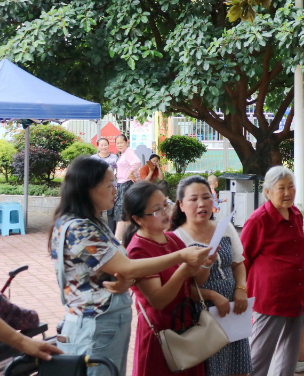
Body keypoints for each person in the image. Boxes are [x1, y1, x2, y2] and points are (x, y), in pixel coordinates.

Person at [49, 156, 210, 376]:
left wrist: (127, 279)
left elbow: (117, 268)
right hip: (94, 326)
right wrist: (180, 257)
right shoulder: (79, 228)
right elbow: (127, 267)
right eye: (109, 185)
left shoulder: (92, 223)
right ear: (89, 188)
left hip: (103, 324)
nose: (115, 190)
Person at [124, 181, 216, 376]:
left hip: (185, 326)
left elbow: (193, 283)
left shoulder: (172, 239)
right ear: (138, 219)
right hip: (161, 334)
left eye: (165, 205)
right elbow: (158, 301)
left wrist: (206, 264)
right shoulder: (138, 250)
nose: (165, 212)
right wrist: (182, 270)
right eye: (157, 210)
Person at [171, 176, 252, 376]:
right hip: (203, 312)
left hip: (232, 308)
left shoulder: (225, 227)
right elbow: (181, 286)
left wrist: (241, 288)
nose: (202, 204)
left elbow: (238, 263)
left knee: (238, 365)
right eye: (193, 199)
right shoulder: (176, 239)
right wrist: (212, 295)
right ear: (181, 205)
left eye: (206, 197)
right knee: (212, 367)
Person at [241, 166, 304, 376]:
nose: (288, 193)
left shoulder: (296, 214)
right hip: (271, 298)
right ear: (268, 191)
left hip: (297, 294)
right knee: (258, 357)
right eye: (281, 188)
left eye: (291, 187)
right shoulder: (259, 220)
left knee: (288, 356)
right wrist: (240, 291)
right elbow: (243, 259)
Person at [112, 134, 141, 240]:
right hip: (121, 184)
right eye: (117, 143)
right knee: (126, 212)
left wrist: (130, 173)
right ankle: (129, 237)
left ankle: (118, 238)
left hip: (126, 184)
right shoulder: (123, 154)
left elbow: (137, 162)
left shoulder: (129, 152)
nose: (119, 145)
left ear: (126, 142)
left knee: (122, 211)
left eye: (121, 142)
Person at [92, 138, 118, 225]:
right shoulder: (93, 158)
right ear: (98, 146)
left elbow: (119, 169)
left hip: (111, 187)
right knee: (97, 211)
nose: (104, 147)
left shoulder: (114, 157)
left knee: (111, 212)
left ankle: (111, 231)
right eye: (101, 145)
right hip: (97, 187)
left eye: (105, 145)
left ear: (108, 145)